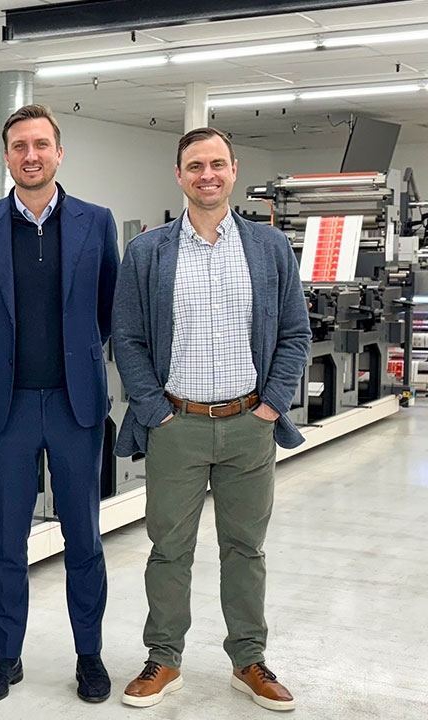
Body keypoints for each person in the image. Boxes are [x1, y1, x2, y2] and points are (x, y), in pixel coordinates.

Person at [111, 127, 311, 712]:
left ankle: (248, 660)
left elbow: (295, 333)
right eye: (195, 165)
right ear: (179, 174)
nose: (207, 175)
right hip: (177, 424)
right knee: (168, 550)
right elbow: (127, 337)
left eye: (217, 164)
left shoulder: (268, 248)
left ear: (234, 170)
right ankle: (164, 659)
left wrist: (271, 406)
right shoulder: (147, 252)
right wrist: (153, 411)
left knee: (245, 549)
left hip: (250, 423)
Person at [0, 104, 119, 704]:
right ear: (7, 157)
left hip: (77, 406)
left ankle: (90, 655)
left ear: (59, 151)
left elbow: (108, 311)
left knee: (85, 539)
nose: (32, 155)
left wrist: (77, 357)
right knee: (7, 544)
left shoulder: (96, 223)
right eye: (20, 146)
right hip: (7, 408)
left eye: (42, 144)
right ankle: (6, 656)